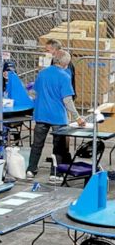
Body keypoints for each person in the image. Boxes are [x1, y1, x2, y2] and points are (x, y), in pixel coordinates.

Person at [28, 50, 83, 178]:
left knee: (37, 144)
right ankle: (55, 172)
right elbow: (67, 100)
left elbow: (34, 93)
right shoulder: (64, 76)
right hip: (58, 117)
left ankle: (31, 169)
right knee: (58, 146)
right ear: (66, 63)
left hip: (41, 114)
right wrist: (77, 117)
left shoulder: (42, 73)